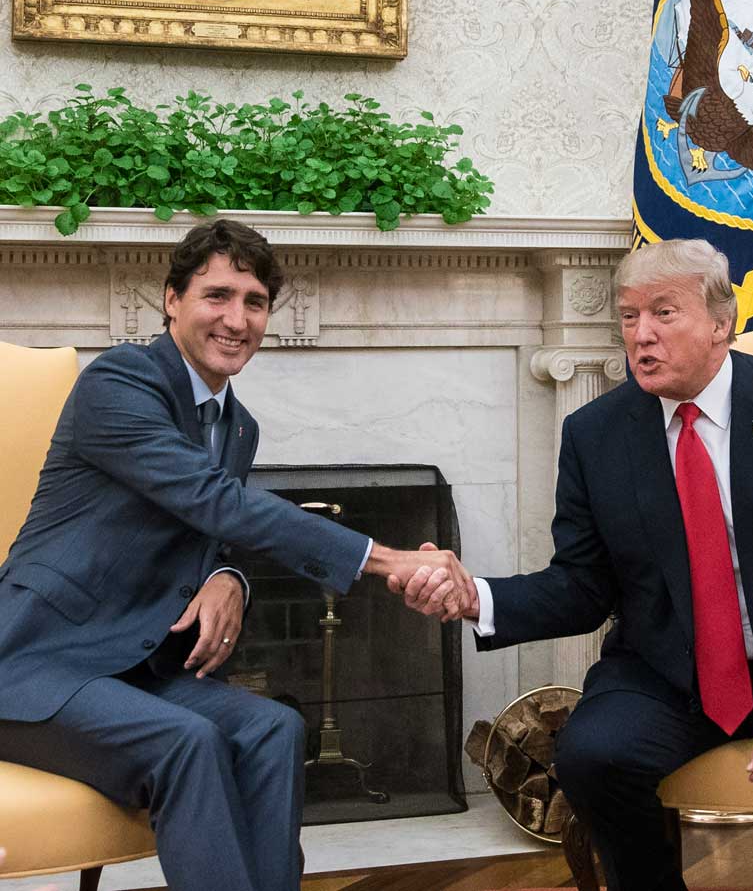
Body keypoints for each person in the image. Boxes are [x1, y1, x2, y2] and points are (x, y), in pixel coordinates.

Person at [400, 238, 753, 891]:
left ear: (722, 323)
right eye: (629, 316)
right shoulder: (596, 433)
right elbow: (584, 585)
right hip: (671, 666)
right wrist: (478, 598)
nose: (642, 335)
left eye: (664, 313)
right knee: (592, 757)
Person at [0, 218, 472, 891]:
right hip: (34, 665)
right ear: (171, 300)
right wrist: (386, 559)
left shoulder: (235, 423)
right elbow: (212, 500)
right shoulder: (121, 381)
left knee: (273, 729)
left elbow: (211, 528)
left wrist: (228, 576)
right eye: (217, 295)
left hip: (133, 669)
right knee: (184, 742)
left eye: (254, 302)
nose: (237, 318)